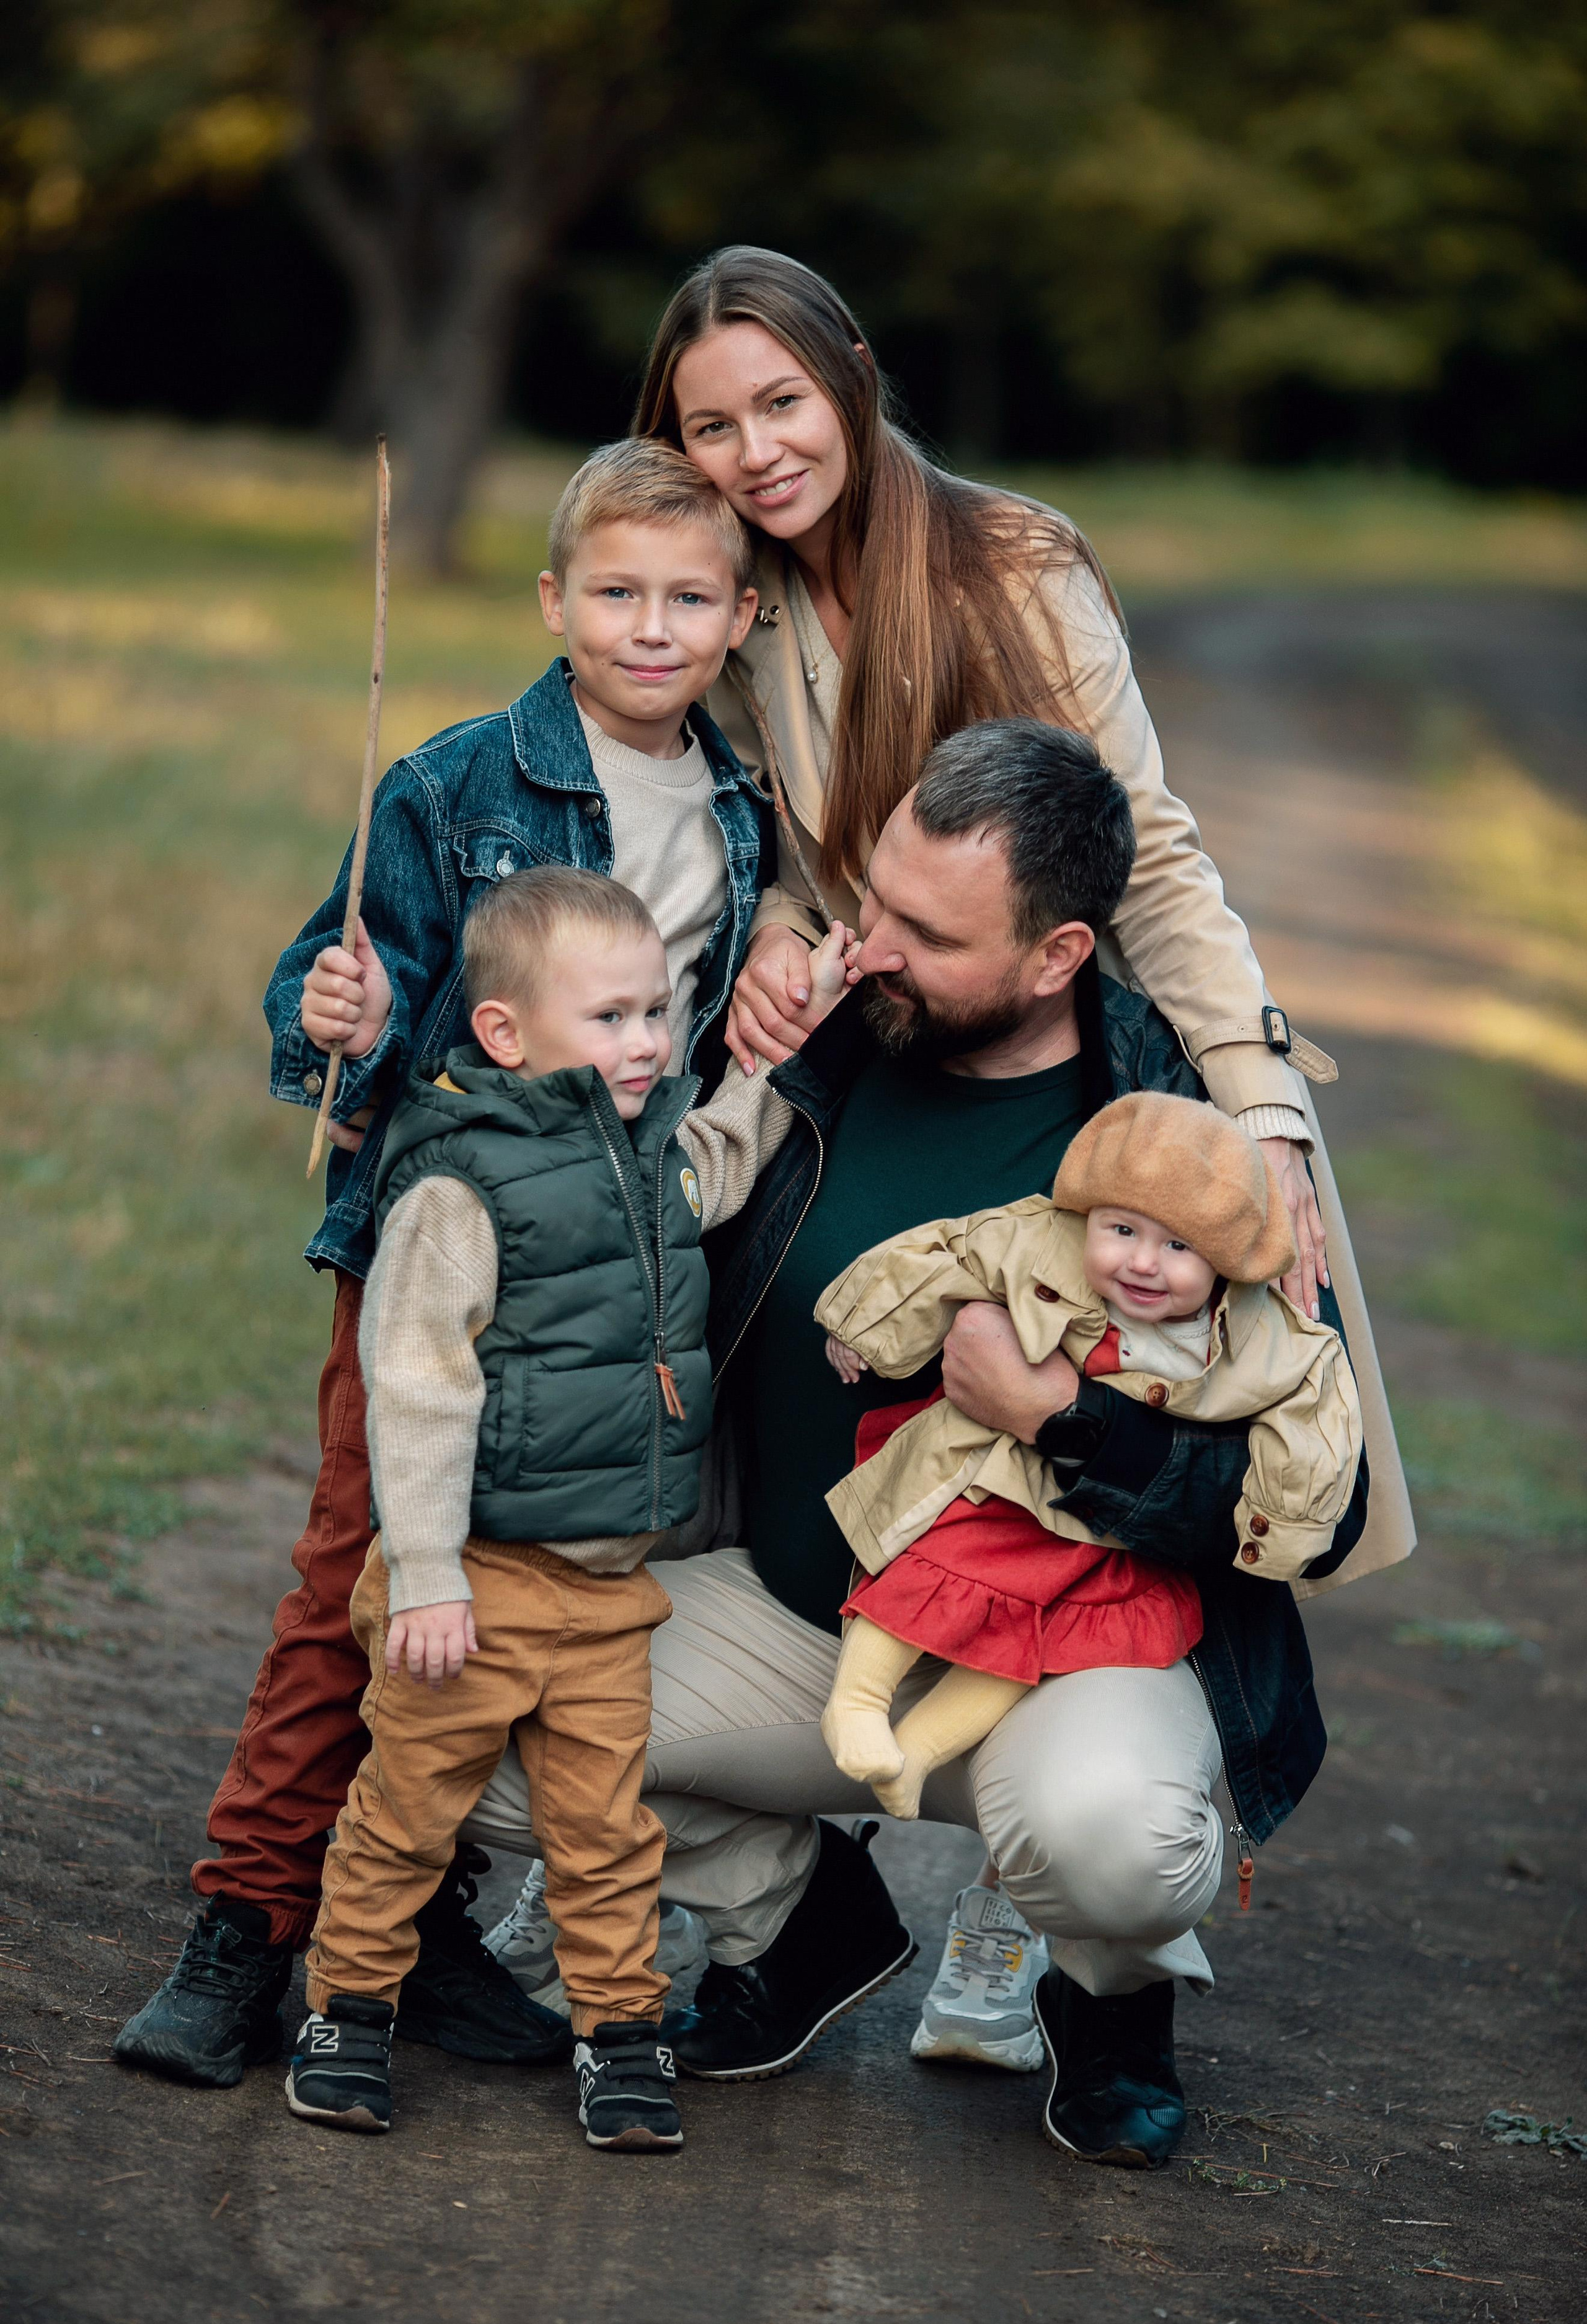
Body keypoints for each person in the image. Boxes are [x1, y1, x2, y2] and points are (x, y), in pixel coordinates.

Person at [629, 242, 1412, 2058]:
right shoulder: (723, 597)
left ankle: (1060, 1886)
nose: (752, 450)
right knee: (821, 1398)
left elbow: (1148, 859)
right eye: (707, 424)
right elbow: (717, 830)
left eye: (780, 402)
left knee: (1121, 1410)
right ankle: (808, 1876)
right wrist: (755, 941)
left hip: (1067, 1033)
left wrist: (1260, 1116)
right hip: (865, 1021)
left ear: (854, 375)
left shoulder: (1009, 560)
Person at [458, 717, 1374, 2168]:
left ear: (1055, 953)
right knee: (472, 1705)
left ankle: (1108, 1999)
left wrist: (1060, 1416)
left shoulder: (1180, 1138)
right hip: (801, 1616)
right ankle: (802, 1916)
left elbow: (1309, 1508)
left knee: (1113, 1844)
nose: (868, 946)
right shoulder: (807, 1040)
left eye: (924, 933)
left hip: (1067, 1655)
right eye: (866, 900)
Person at [115, 438, 794, 2090]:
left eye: (688, 598)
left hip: (618, 1268)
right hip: (448, 1237)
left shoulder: (741, 818)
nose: (650, 626)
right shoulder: (458, 780)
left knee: (540, 1590)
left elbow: (704, 1044)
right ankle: (249, 1923)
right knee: (365, 1575)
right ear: (554, 599)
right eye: (616, 592)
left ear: (741, 616)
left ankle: (414, 1918)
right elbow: (328, 984)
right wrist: (328, 1020)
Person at [285, 867, 851, 2149]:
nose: (648, 1042)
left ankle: (620, 2034)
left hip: (605, 1591)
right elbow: (417, 1386)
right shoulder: (455, 1189)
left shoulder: (642, 1150)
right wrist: (424, 1570)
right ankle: (346, 2010)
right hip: (474, 1580)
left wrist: (787, 1046)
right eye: (610, 1018)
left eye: (657, 1012)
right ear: (506, 1034)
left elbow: (715, 1161)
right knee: (406, 1811)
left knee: (602, 1832)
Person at [816, 1086, 1362, 1822]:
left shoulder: (1271, 1338)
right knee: (934, 1569)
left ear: (1227, 1259)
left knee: (1041, 1641)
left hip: (1109, 1534)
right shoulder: (1043, 1238)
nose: (1143, 1262)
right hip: (1003, 1483)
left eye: (1179, 1247)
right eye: (1122, 1230)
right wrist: (866, 1324)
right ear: (1090, 1213)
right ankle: (856, 1703)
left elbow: (1315, 1430)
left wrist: (1275, 1529)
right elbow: (950, 1254)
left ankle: (917, 1752)